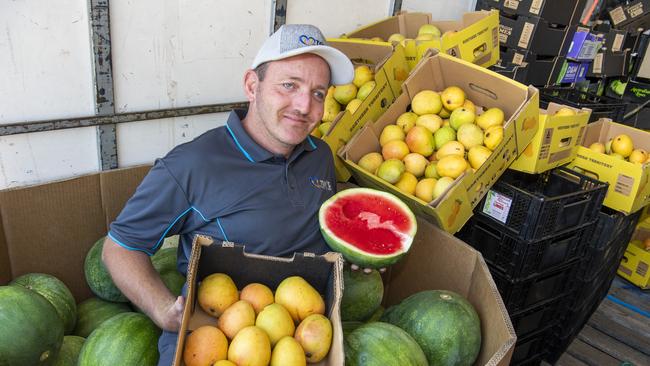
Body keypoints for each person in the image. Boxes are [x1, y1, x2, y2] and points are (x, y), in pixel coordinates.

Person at [101, 24, 354, 365]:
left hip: (307, 335)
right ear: (253, 85)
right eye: (289, 85)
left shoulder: (320, 156)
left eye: (319, 93)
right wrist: (163, 310)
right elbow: (120, 246)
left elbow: (323, 231)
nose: (304, 105)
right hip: (211, 336)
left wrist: (357, 254)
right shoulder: (192, 165)